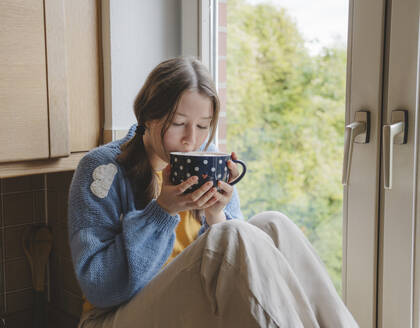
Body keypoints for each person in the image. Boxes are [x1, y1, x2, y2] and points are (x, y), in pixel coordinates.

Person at [68, 57, 358, 327]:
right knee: (232, 234)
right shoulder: (103, 169)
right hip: (115, 317)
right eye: (178, 124)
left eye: (203, 126)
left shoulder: (208, 166)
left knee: (273, 224)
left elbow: (239, 274)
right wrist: (162, 211)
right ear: (149, 117)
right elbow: (101, 288)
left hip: (187, 306)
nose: (190, 139)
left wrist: (215, 212)